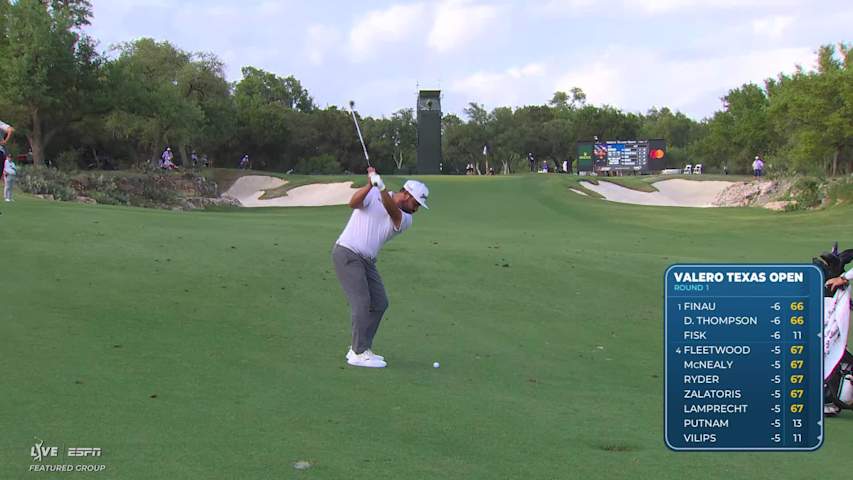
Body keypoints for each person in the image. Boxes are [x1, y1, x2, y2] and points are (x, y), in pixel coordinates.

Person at [332, 167, 429, 368]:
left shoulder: (406, 219)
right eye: (416, 203)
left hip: (367, 261)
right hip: (348, 252)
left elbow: (391, 209)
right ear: (407, 194)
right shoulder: (374, 193)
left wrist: (381, 186)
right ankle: (358, 353)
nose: (417, 208)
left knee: (380, 302)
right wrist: (370, 185)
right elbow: (353, 203)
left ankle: (361, 348)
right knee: (361, 303)